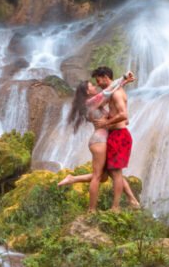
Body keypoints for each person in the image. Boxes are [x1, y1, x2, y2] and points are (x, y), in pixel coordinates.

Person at [58, 71, 139, 212]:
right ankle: (92, 209)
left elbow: (112, 94)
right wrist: (124, 77)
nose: (95, 86)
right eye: (92, 85)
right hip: (100, 140)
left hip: (103, 139)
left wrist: (123, 83)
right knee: (98, 177)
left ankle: (72, 179)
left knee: (106, 176)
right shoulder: (90, 103)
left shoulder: (96, 103)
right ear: (87, 91)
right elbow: (108, 91)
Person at [91, 64, 133, 212]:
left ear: (105, 78)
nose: (97, 84)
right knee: (111, 172)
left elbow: (123, 115)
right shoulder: (115, 90)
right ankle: (131, 201)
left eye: (98, 80)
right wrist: (125, 80)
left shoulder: (116, 94)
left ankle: (116, 207)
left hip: (120, 135)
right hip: (116, 134)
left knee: (116, 173)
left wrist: (106, 122)